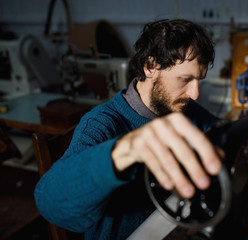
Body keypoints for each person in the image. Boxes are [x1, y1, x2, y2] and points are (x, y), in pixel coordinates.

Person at [34, 19, 223, 239]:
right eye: (185, 80)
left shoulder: (185, 111)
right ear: (150, 67)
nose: (195, 93)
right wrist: (124, 150)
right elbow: (51, 204)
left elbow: (222, 133)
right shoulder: (101, 124)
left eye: (199, 80)